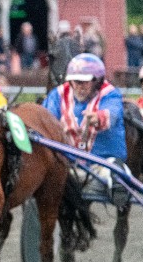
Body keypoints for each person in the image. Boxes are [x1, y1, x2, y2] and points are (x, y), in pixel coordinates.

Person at [43, 53, 128, 205]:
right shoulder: (57, 95)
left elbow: (113, 113)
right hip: (66, 163)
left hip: (101, 163)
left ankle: (119, 189)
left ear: (97, 81)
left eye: (85, 82)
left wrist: (98, 117)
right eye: (76, 81)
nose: (79, 87)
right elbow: (45, 118)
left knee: (116, 173)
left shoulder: (110, 94)